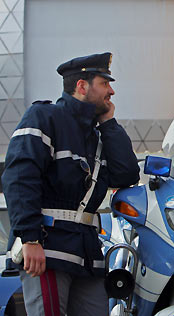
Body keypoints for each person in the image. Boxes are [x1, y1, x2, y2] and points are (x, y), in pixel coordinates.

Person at [2, 52, 140, 316]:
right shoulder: (43, 117)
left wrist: (109, 123)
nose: (111, 91)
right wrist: (30, 239)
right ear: (81, 86)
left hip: (86, 253)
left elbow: (126, 175)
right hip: (47, 247)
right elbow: (19, 177)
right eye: (104, 83)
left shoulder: (98, 134)